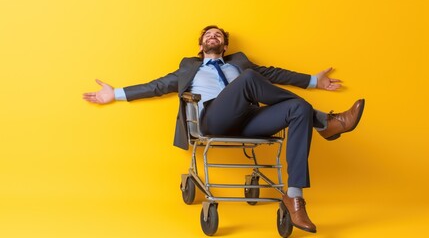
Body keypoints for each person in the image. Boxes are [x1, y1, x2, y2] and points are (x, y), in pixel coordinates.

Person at [83, 25, 365, 233]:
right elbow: (156, 86)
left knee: (297, 109)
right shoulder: (189, 68)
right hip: (213, 121)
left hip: (251, 121)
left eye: (218, 35)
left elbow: (275, 73)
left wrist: (313, 81)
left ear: (225, 46)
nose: (213, 37)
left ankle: (294, 197)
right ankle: (325, 123)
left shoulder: (239, 64)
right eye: (208, 35)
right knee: (249, 81)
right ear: (201, 44)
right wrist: (116, 93)